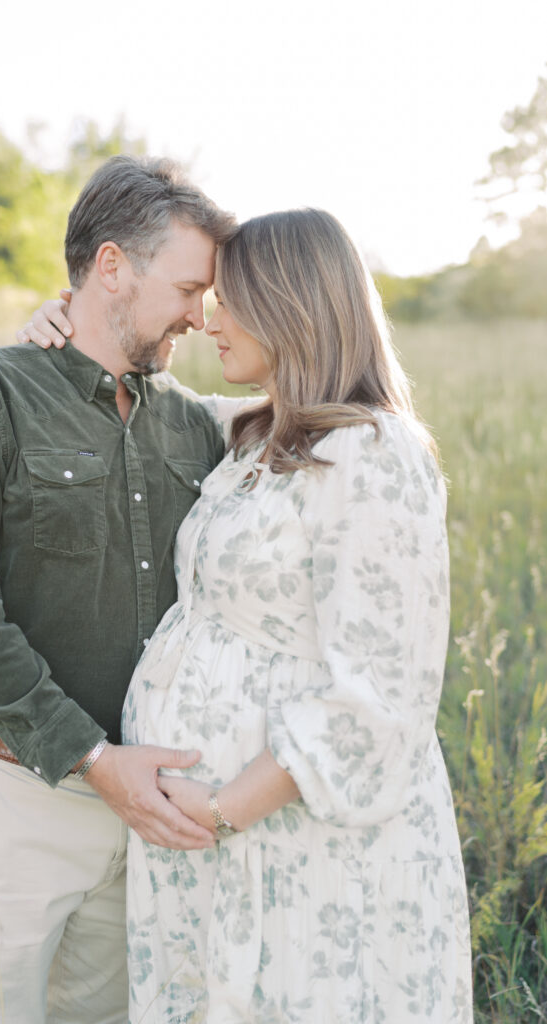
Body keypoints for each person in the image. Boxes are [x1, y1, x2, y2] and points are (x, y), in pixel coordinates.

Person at [26, 208, 473, 1023]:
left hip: (299, 847)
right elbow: (157, 403)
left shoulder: (375, 456)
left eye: (229, 300)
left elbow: (378, 700)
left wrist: (220, 809)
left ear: (292, 305)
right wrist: (73, 324)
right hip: (214, 850)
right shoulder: (256, 434)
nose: (206, 318)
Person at [0, 155, 236, 1023]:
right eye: (189, 288)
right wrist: (89, 757)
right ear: (111, 266)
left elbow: (315, 402)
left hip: (143, 816)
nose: (201, 316)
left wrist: (126, 779)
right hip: (13, 798)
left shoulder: (194, 424)